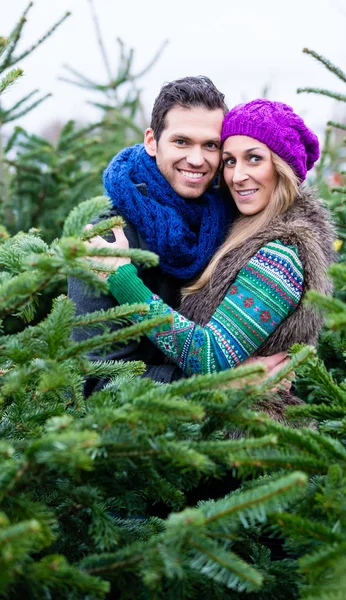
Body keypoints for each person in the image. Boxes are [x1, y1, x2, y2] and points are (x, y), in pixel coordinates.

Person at [85, 98, 336, 415]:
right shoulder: (235, 227)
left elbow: (210, 356)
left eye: (254, 159)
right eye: (230, 161)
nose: (237, 175)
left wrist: (122, 281)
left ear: (283, 167)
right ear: (152, 141)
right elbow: (97, 382)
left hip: (250, 437)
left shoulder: (282, 251)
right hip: (215, 423)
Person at [69, 78, 289, 395]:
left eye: (210, 145)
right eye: (181, 142)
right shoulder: (108, 238)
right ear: (152, 141)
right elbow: (96, 384)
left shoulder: (235, 219)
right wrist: (216, 386)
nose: (197, 159)